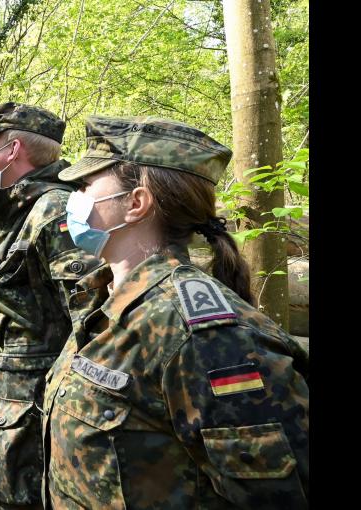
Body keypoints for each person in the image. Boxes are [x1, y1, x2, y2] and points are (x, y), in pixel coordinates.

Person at [43, 115, 309, 508]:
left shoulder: (203, 335)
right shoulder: (105, 299)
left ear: (136, 204)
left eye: (84, 187)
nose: (73, 200)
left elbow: (277, 496)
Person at [0, 102, 102, 509]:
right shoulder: (15, 209)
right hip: (7, 407)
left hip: (35, 411)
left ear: (14, 148)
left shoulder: (54, 209)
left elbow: (91, 320)